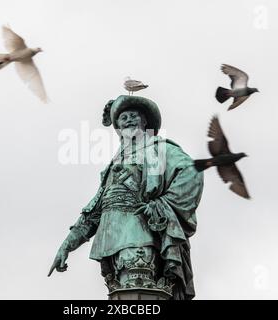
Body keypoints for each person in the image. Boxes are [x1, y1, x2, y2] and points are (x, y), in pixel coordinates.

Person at [48, 95, 204, 300]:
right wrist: (67, 245)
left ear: (145, 121)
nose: (129, 120)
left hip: (142, 235)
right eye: (123, 117)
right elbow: (95, 210)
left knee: (139, 292)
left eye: (134, 116)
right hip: (113, 237)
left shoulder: (159, 148)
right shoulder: (115, 162)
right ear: (118, 127)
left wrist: (161, 206)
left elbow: (192, 171)